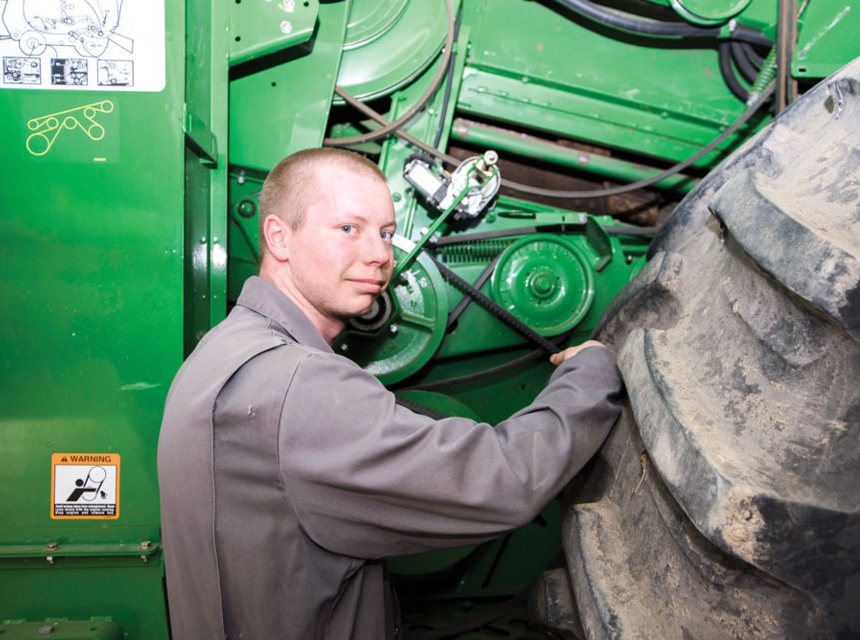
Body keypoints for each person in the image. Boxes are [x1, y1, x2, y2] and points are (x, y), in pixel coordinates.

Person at [157, 148, 624, 639]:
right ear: (279, 237)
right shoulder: (299, 385)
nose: (381, 255)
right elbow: (502, 479)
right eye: (348, 229)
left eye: (384, 233)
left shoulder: (221, 352)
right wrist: (590, 373)